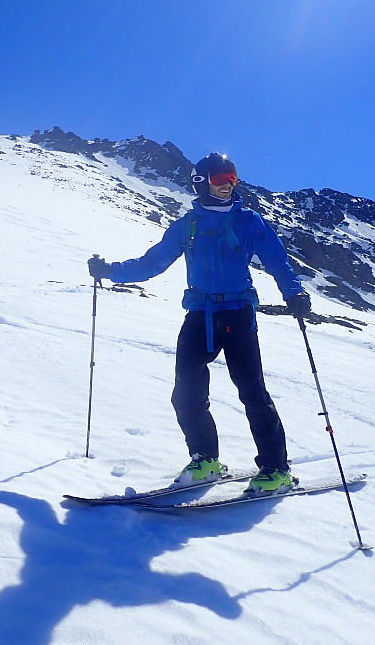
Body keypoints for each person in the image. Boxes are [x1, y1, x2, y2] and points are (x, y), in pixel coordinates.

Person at [87, 153, 312, 494]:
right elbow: (153, 263)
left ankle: (276, 468)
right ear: (201, 181)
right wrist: (110, 271)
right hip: (199, 316)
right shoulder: (187, 225)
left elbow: (278, 260)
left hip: (238, 315)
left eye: (232, 178)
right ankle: (205, 459)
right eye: (220, 178)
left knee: (252, 392)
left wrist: (294, 293)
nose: (227, 185)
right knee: (186, 393)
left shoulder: (249, 221)